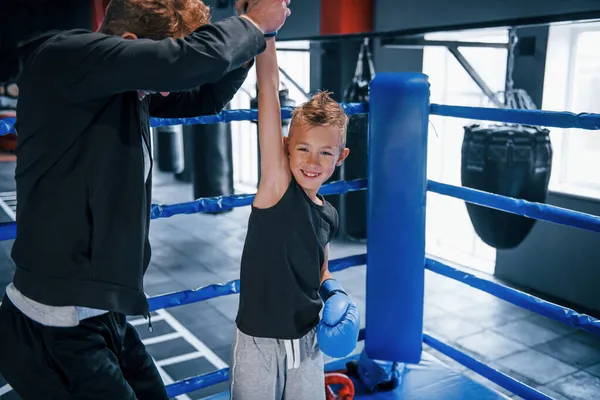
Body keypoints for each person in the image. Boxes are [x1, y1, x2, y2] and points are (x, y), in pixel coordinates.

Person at [0, 0, 291, 399]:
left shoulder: (117, 87)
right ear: (131, 43)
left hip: (102, 313)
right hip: (53, 322)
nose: (165, 89)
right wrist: (252, 24)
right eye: (159, 69)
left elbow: (199, 97)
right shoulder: (63, 58)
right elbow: (180, 64)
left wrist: (258, 40)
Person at [230, 26, 361, 400]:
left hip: (308, 342)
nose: (312, 161)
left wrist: (333, 290)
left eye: (325, 152)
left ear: (341, 157)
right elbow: (268, 99)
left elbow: (319, 267)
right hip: (258, 343)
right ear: (286, 147)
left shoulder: (328, 215)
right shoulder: (277, 188)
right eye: (303, 149)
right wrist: (265, 34)